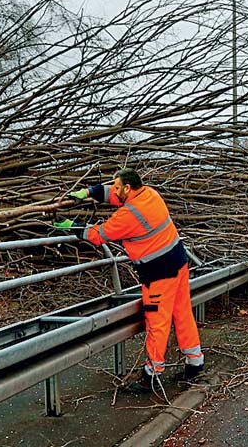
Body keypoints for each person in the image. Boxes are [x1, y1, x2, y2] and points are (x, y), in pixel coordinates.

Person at [54, 168, 204, 392]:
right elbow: (115, 196)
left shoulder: (129, 215)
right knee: (182, 314)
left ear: (127, 188)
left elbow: (99, 234)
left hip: (159, 275)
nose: (113, 190)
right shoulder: (149, 194)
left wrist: (73, 227)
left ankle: (152, 374)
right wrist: (89, 192)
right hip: (178, 264)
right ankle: (195, 362)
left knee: (157, 323)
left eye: (117, 186)